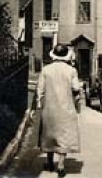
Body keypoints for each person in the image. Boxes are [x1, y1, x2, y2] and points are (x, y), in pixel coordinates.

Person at [35, 44, 81, 178]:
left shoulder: (46, 70)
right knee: (63, 136)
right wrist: (77, 105)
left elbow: (40, 90)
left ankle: (49, 163)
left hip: (49, 107)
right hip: (66, 107)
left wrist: (39, 105)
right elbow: (76, 88)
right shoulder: (71, 71)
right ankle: (61, 165)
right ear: (66, 56)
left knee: (49, 135)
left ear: (53, 55)